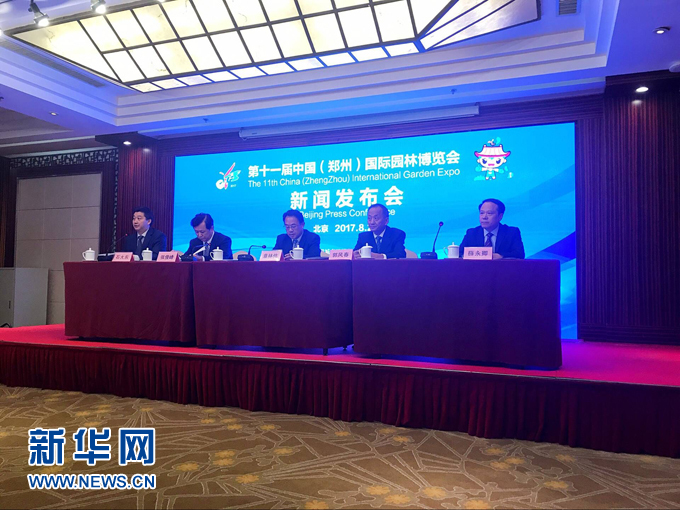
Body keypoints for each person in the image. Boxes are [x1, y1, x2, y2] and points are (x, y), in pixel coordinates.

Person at [459, 198, 525, 259]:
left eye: (489, 213)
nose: (484, 217)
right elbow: (460, 253)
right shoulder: (472, 233)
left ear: (500, 216)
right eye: (482, 213)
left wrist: (501, 256)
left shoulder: (511, 233)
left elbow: (519, 254)